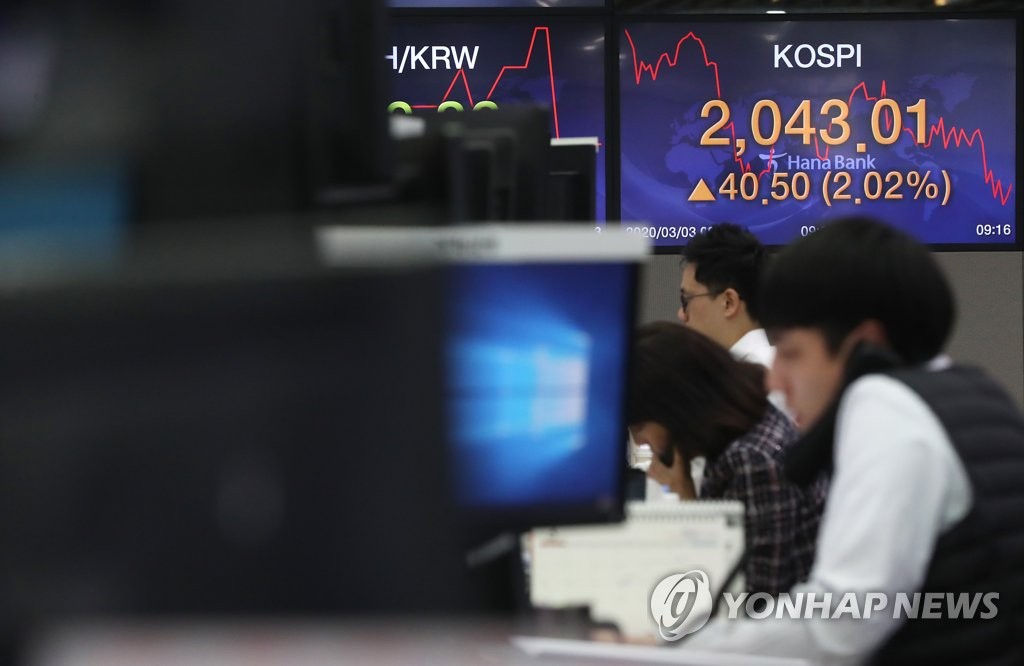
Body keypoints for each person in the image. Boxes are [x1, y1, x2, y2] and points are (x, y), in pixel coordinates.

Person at [685, 217, 1024, 664]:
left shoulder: (884, 407)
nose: (776, 380)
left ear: (865, 344)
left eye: (792, 353)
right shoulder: (978, 390)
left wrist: (673, 649)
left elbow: (840, 621)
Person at [628, 321, 825, 596]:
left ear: (675, 408)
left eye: (639, 427)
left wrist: (688, 503)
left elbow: (756, 599)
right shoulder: (740, 430)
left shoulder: (752, 462)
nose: (640, 442)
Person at [678, 223, 773, 367]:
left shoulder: (752, 376)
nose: (681, 314)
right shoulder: (780, 368)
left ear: (729, 302)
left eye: (686, 300)